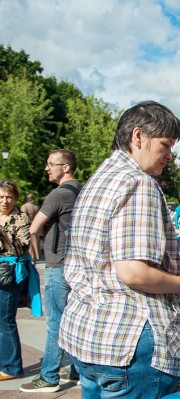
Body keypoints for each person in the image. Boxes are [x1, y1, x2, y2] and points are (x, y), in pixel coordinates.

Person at [58, 101, 180, 398]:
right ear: (138, 137)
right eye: (166, 145)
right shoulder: (138, 182)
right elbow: (133, 272)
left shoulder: (100, 178)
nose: (169, 156)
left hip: (88, 337)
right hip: (129, 344)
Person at [21, 150, 82, 393]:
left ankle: (48, 376)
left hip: (59, 264)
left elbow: (35, 227)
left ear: (65, 167)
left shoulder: (58, 194)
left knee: (56, 322)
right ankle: (78, 370)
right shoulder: (83, 190)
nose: (47, 168)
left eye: (51, 164)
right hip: (78, 264)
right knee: (75, 320)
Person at [0, 180, 33, 382]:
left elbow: (23, 245)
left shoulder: (20, 219)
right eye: (1, 197)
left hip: (8, 273)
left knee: (5, 320)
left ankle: (12, 367)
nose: (5, 201)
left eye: (9, 197)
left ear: (16, 198)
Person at [20, 194, 40, 260]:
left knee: (29, 245)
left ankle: (31, 258)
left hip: (27, 227)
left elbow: (22, 218)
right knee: (35, 244)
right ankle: (35, 259)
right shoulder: (36, 207)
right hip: (35, 227)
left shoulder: (24, 207)